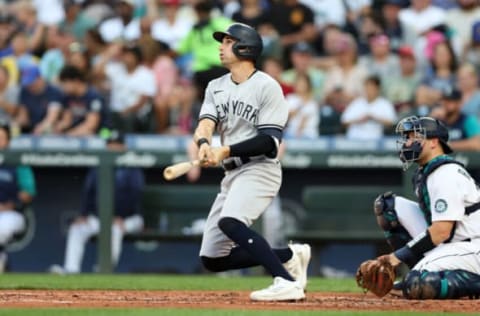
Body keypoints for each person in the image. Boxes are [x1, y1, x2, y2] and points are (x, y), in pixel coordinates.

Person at [192, 22, 310, 301]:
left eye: (228, 41)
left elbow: (270, 142)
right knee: (212, 259)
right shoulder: (215, 86)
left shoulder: (268, 86)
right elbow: (205, 123)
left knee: (231, 222)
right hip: (231, 175)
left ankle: (285, 280)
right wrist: (204, 144)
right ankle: (291, 256)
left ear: (245, 47)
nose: (221, 47)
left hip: (260, 168)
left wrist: (225, 150)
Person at [372, 115, 480, 299]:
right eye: (408, 138)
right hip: (453, 242)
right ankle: (424, 269)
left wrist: (397, 257)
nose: (408, 142)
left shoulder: (446, 174)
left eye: (415, 137)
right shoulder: (428, 171)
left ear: (433, 142)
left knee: (417, 283)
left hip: (472, 246)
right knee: (389, 207)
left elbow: (441, 232)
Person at [49, 132, 144, 274]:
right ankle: (70, 270)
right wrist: (83, 214)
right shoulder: (98, 168)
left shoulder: (132, 168)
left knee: (115, 230)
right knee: (77, 229)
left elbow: (136, 197)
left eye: (116, 145)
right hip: (102, 217)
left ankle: (103, 270)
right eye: (109, 145)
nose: (112, 148)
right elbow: (88, 193)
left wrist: (119, 218)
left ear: (123, 147)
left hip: (130, 218)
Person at [0, 123, 36, 272]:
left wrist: (9, 205)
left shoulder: (17, 162)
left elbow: (28, 193)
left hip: (11, 213)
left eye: (1, 138)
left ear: (8, 141)